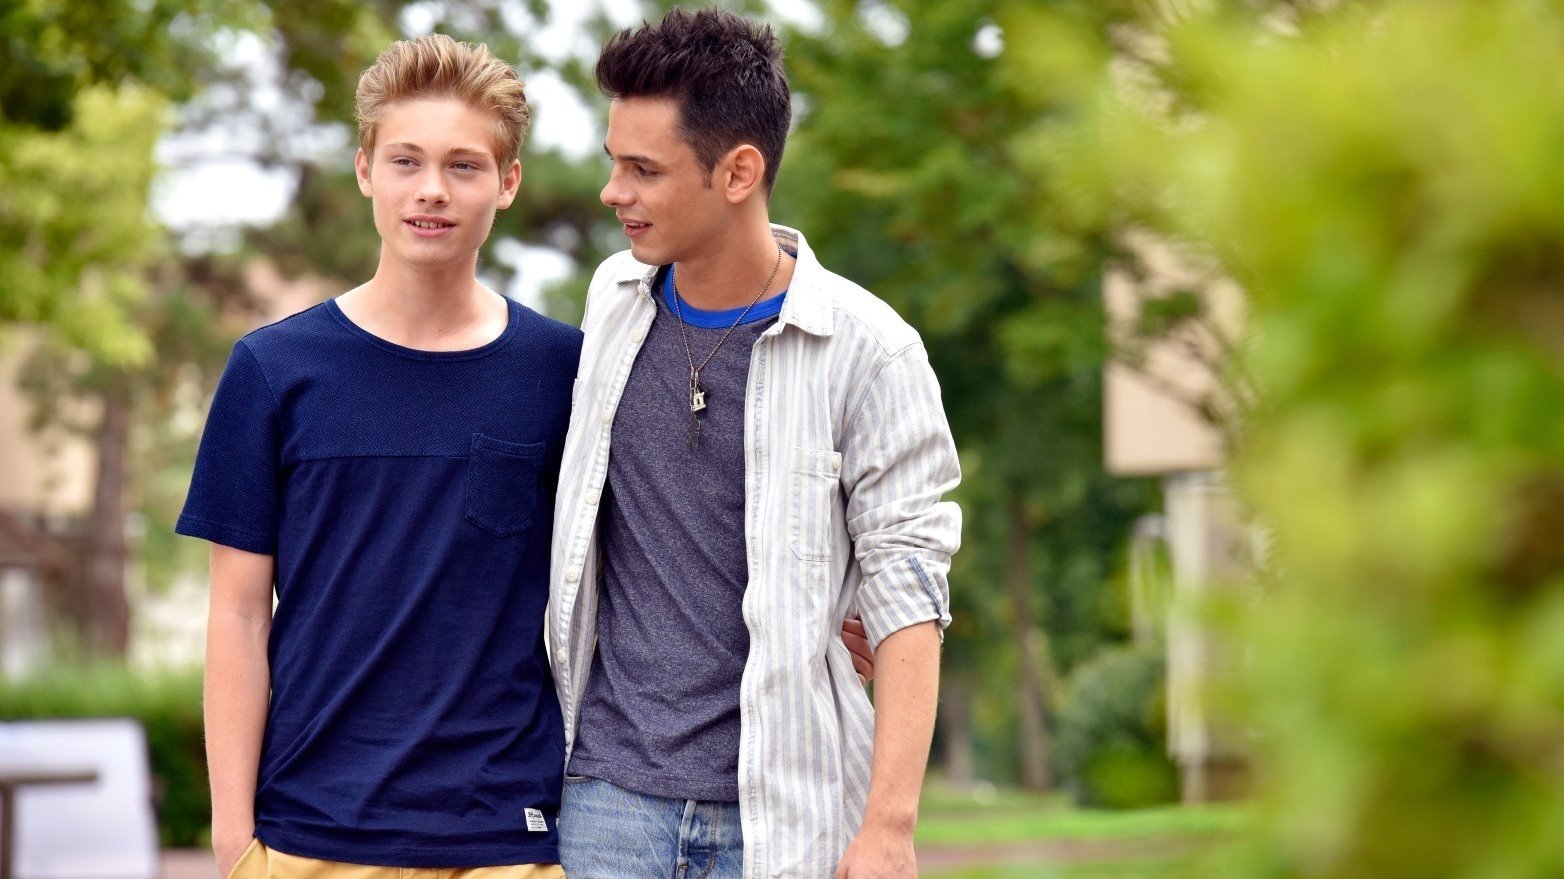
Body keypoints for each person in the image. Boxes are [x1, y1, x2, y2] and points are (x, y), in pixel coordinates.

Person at [551, 8, 963, 879]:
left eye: (644, 170)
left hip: (786, 813)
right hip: (607, 801)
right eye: (613, 162)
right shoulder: (612, 301)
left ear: (739, 171)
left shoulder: (870, 352)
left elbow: (909, 591)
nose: (613, 192)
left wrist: (888, 827)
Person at [179, 34, 577, 879]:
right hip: (310, 837)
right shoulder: (273, 369)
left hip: (508, 838)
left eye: (464, 166)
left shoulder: (563, 370)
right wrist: (233, 840)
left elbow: (654, 549)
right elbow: (238, 614)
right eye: (406, 160)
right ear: (365, 170)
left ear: (507, 182)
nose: (432, 189)